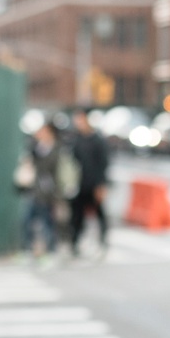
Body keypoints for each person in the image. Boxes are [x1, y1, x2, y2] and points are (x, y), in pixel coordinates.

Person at [68, 109, 110, 257]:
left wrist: (101, 185)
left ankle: (103, 241)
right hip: (79, 185)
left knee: (99, 214)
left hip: (94, 184)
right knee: (77, 215)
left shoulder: (98, 140)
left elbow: (103, 164)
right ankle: (75, 243)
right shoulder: (75, 140)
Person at [18, 122, 62, 260]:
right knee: (27, 221)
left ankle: (50, 251)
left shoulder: (57, 149)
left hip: (48, 193)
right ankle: (27, 250)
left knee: (47, 223)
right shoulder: (35, 147)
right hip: (33, 191)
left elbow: (56, 172)